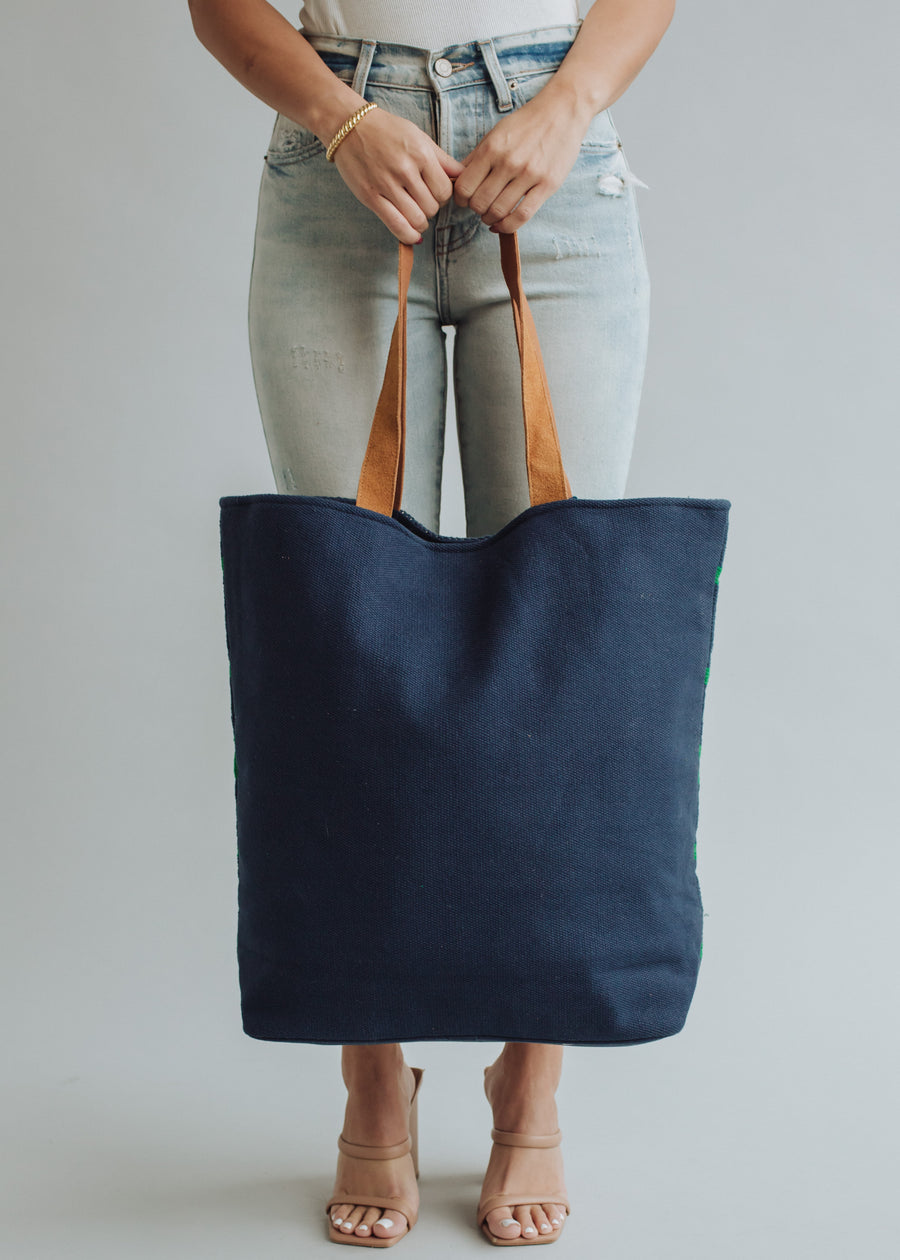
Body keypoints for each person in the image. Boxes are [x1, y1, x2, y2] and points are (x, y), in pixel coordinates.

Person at [189, 0, 675, 1247]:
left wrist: (564, 106)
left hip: (555, 164)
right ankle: (371, 1078)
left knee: (555, 662)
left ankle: (533, 1083)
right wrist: (341, 117)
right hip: (338, 166)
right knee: (351, 655)